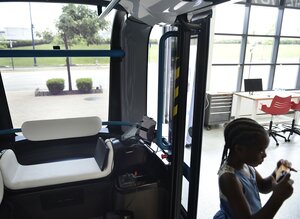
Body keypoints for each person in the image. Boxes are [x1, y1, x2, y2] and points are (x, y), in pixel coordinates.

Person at [214, 118, 294, 219]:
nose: (265, 155)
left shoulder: (246, 165)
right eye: (261, 151)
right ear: (239, 149)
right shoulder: (229, 178)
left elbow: (263, 186)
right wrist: (278, 198)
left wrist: (280, 171)